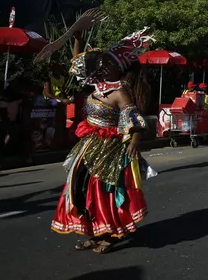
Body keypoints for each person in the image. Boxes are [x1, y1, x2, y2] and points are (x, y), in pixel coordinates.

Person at [51, 30, 155, 254]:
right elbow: (79, 64)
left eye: (110, 63)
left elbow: (135, 120)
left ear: (120, 68)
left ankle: (108, 234)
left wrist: (134, 142)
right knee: (79, 188)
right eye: (104, 63)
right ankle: (92, 232)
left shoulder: (119, 93)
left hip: (109, 148)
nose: (105, 67)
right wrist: (77, 38)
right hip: (89, 143)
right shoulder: (96, 84)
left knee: (101, 192)